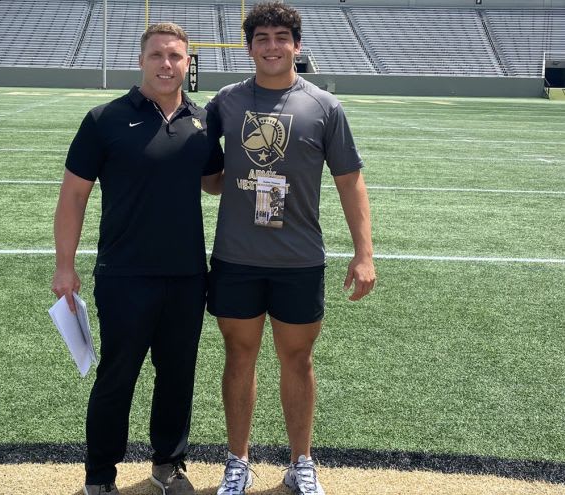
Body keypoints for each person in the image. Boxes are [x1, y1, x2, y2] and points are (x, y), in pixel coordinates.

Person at [204, 3, 376, 494]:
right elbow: (206, 174)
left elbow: (350, 181)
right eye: (262, 37)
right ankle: (238, 460)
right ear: (250, 46)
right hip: (236, 256)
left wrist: (364, 253)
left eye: (282, 37)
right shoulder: (227, 102)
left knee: (297, 360)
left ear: (297, 46)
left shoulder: (323, 105)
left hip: (299, 258)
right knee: (238, 356)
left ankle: (302, 461)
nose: (273, 46)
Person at [51, 22, 223, 495]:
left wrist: (266, 168)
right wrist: (65, 266)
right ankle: (100, 477)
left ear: (188, 63)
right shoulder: (104, 118)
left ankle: (168, 465)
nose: (166, 64)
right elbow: (73, 197)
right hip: (124, 274)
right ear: (142, 59)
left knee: (177, 378)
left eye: (176, 57)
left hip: (188, 275)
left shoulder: (202, 120)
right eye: (157, 55)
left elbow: (214, 179)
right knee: (117, 378)